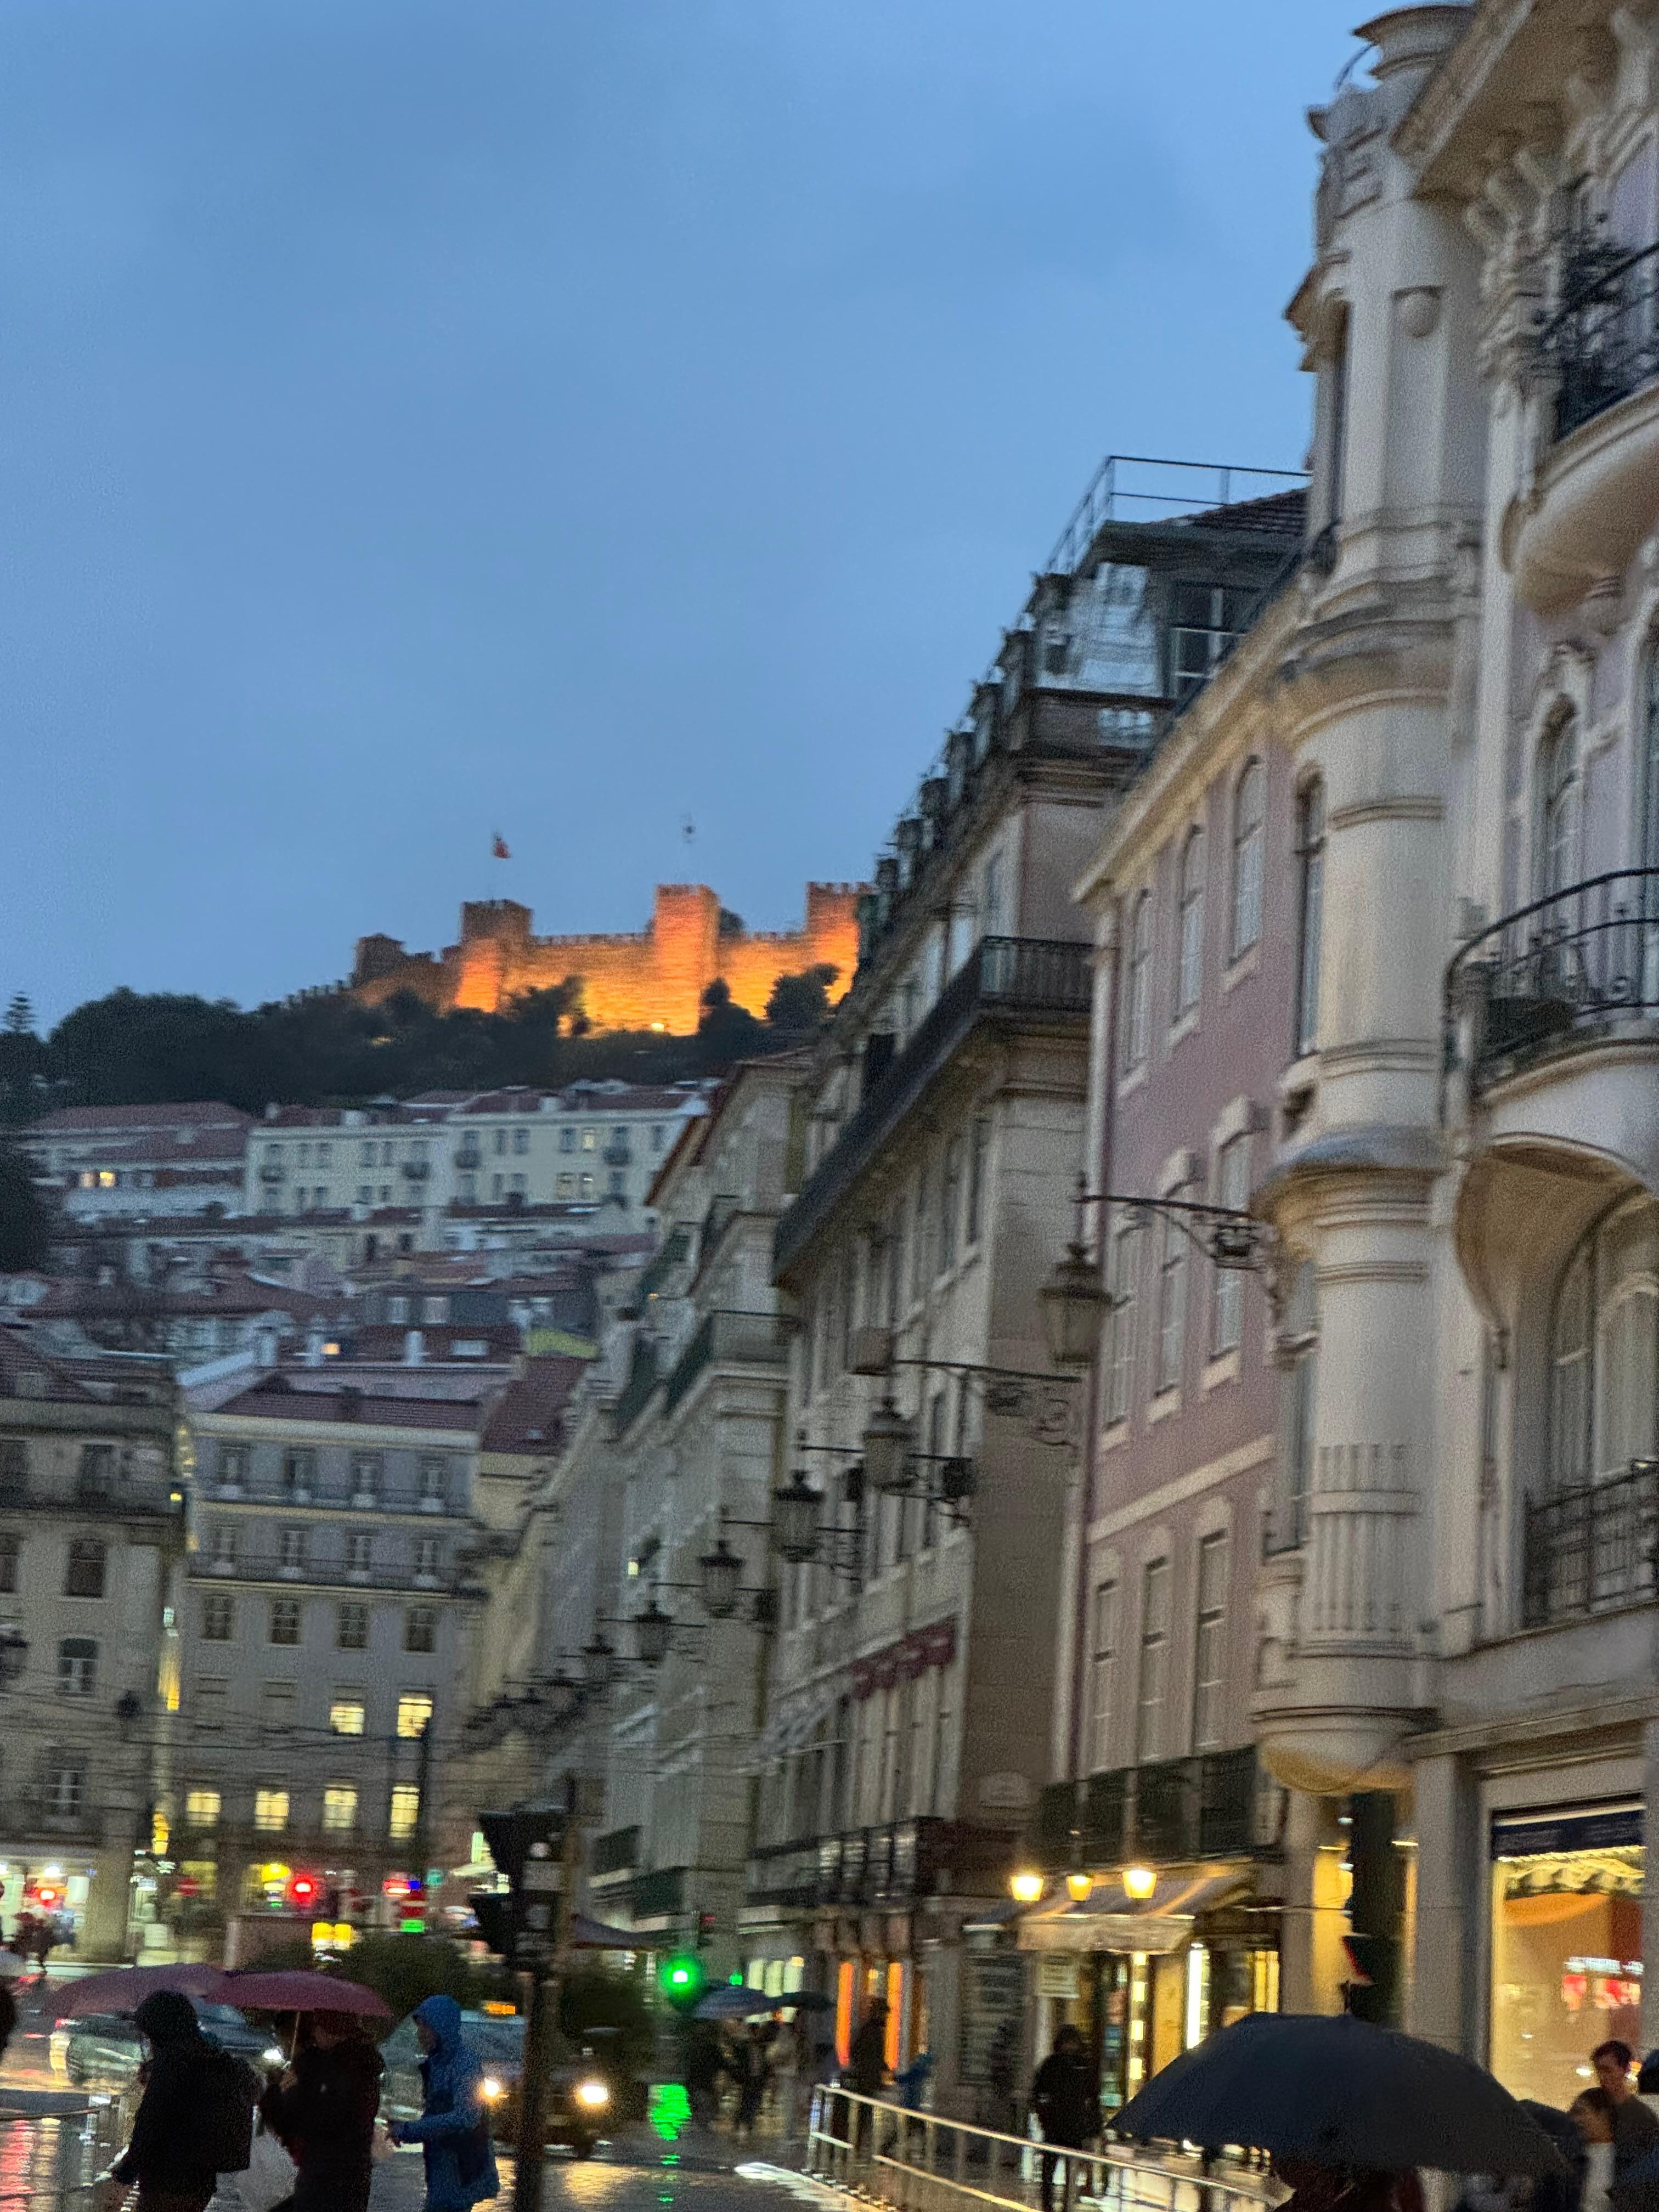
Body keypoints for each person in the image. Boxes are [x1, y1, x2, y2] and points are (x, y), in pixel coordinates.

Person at [100, 1991, 240, 2212]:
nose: (147, 2041)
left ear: (160, 2030)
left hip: (167, 2181)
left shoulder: (172, 2064)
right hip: (200, 2182)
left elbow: (151, 2123)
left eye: (149, 2035)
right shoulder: (208, 2057)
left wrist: (126, 2172)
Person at [260, 2010, 383, 2212]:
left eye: (319, 2026)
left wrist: (284, 2091)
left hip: (325, 2176)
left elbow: (307, 2121)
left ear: (331, 2030)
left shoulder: (333, 2070)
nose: (315, 2033)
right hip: (349, 2176)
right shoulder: (361, 2066)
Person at [386, 1995, 499, 2212]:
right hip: (443, 2168)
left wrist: (411, 2130)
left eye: (427, 2028)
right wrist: (405, 2129)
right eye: (420, 2028)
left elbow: (465, 2116)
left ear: (442, 2028)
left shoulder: (464, 2065)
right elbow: (439, 2114)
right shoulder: (437, 2064)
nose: (421, 2035)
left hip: (459, 2168)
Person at [1032, 2026, 1099, 2212]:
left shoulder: (1082, 2066)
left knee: (1070, 2171)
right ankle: (1049, 2206)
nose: (1070, 2046)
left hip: (1073, 2129)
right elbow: (1038, 2094)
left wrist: (1093, 2127)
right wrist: (1044, 2118)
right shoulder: (1052, 2065)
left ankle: (1065, 2205)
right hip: (1056, 2128)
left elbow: (1093, 2099)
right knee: (1049, 2171)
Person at [1595, 2041, 1659, 2179]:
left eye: (1607, 2070)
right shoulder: (1591, 2103)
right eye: (1598, 2070)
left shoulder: (1642, 2117)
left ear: (1624, 2069)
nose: (1602, 2077)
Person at [847, 2000, 889, 2158]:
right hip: (866, 2079)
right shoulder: (871, 2030)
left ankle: (860, 2145)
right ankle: (858, 2145)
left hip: (867, 2078)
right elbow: (866, 2054)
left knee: (865, 2113)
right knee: (864, 2113)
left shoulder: (870, 2029)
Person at [1577, 2089, 1619, 2212]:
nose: (1576, 2119)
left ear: (1603, 2116)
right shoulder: (1572, 2151)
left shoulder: (1621, 2160)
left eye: (1581, 2112)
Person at [685, 2018, 725, 2129]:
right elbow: (723, 2064)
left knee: (699, 2108)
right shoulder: (713, 2049)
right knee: (707, 2108)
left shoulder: (692, 2047)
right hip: (705, 2085)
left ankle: (698, 2126)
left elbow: (686, 2065)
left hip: (695, 2085)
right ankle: (702, 2126)